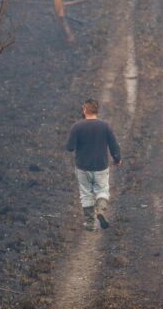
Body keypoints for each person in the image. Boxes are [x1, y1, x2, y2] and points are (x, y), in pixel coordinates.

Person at [66, 99, 122, 231]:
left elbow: (69, 147)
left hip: (83, 166)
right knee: (102, 190)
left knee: (86, 194)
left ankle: (89, 223)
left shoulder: (77, 126)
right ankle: (101, 210)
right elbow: (114, 145)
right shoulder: (105, 126)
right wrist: (117, 158)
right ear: (97, 110)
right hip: (101, 166)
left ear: (84, 110)